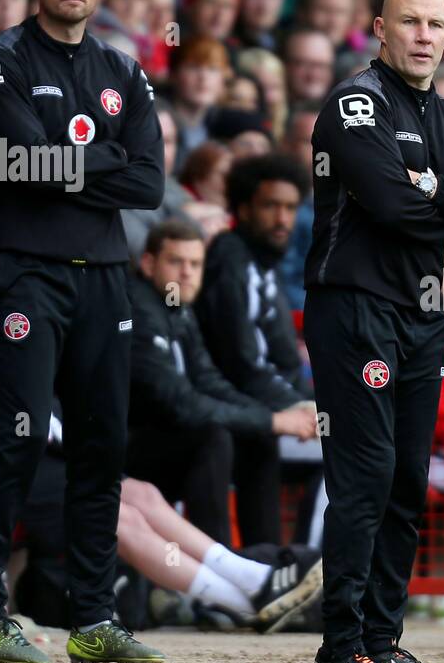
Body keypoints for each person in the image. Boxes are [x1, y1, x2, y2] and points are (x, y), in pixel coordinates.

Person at [0, 0, 165, 663]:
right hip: (25, 268)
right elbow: (10, 160)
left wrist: (68, 160)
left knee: (101, 441)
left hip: (105, 273)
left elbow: (149, 183)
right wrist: (105, 157)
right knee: (18, 434)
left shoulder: (122, 70)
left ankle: (94, 618)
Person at [302, 0, 444, 663]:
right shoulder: (354, 103)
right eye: (410, 22)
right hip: (354, 304)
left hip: (423, 314)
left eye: (436, 24)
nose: (424, 35)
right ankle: (339, 648)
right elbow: (389, 204)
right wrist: (433, 195)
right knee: (366, 474)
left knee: (409, 479)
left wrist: (428, 186)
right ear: (379, 29)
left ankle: (382, 641)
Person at [128, 218, 318, 550]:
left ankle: (265, 562)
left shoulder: (179, 310)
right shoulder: (139, 311)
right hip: (125, 449)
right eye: (176, 262)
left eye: (195, 263)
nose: (186, 273)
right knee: (212, 438)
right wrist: (272, 420)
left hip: (168, 437)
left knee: (256, 438)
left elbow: (210, 382)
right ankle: (216, 573)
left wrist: (275, 417)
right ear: (148, 263)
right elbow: (181, 403)